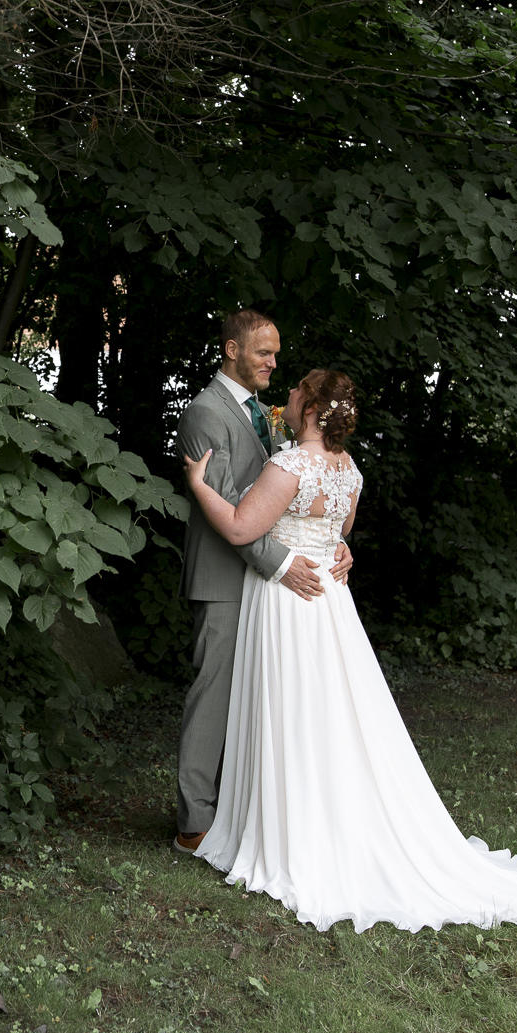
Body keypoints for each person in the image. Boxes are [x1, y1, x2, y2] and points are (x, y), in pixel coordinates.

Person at [181, 368, 517, 933]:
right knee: (331, 714)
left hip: (289, 602)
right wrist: (340, 550)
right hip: (329, 604)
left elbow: (244, 529)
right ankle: (324, 815)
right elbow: (338, 530)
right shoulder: (349, 469)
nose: (287, 394)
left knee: (293, 710)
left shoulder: (289, 465)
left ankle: (294, 827)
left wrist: (199, 485)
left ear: (312, 409)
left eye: (297, 391)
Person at [171, 310, 351, 857]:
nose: (274, 362)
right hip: (227, 577)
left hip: (268, 584)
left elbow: (292, 497)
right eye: (263, 353)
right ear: (232, 350)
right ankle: (194, 822)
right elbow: (227, 506)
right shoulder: (205, 413)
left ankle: (246, 811)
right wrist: (283, 562)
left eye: (276, 353)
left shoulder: (261, 414)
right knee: (215, 695)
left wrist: (331, 545)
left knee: (263, 697)